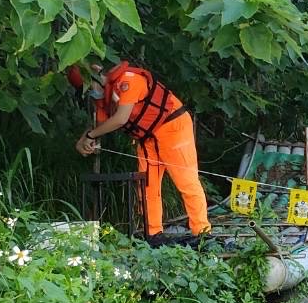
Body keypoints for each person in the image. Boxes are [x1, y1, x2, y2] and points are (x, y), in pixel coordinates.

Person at [69, 60, 210, 244]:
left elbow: (120, 119)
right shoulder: (102, 98)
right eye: (85, 91)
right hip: (147, 137)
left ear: (96, 74)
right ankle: (152, 234)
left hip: (173, 126)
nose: (90, 92)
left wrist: (90, 135)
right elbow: (100, 126)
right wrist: (85, 139)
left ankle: (202, 233)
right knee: (146, 185)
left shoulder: (129, 81)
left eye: (89, 87)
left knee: (186, 181)